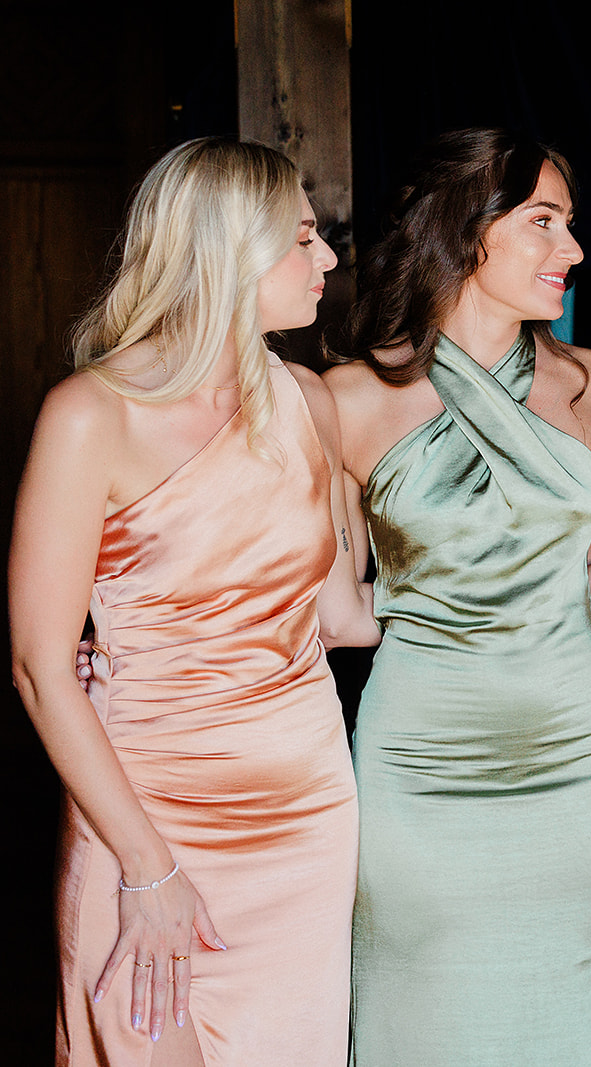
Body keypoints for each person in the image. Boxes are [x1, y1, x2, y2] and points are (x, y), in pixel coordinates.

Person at [10, 137, 377, 1065]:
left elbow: (342, 615)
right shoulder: (92, 414)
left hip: (305, 817)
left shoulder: (306, 400)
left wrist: (523, 600)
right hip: (149, 816)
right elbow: (41, 667)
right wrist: (147, 864)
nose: (328, 258)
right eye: (302, 238)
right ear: (226, 250)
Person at [323, 128, 591, 1065]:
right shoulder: (347, 400)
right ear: (464, 232)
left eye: (571, 224)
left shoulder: (590, 385)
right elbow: (327, 609)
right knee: (418, 1006)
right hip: (419, 758)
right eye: (545, 222)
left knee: (553, 1013)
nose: (575, 249)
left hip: (572, 751)